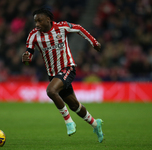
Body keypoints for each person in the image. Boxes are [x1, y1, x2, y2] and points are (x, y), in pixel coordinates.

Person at [22, 8, 104, 143]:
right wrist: (26, 60)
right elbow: (28, 56)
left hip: (67, 68)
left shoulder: (61, 27)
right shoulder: (33, 35)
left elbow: (79, 28)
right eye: (35, 21)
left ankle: (68, 122)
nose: (37, 24)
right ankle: (96, 124)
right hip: (53, 75)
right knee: (74, 105)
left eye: (39, 20)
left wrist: (93, 42)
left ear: (48, 20)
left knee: (51, 91)